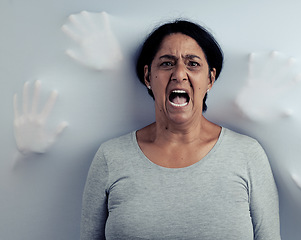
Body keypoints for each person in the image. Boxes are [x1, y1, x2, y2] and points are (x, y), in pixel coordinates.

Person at [80, 19, 281, 240]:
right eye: (167, 63)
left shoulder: (247, 155)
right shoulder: (111, 157)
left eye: (192, 64)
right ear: (148, 76)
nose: (179, 74)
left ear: (210, 79)